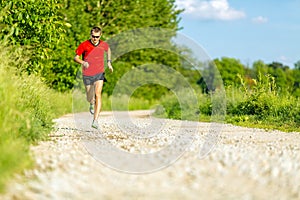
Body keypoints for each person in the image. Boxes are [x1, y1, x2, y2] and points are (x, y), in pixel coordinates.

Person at [74, 26, 113, 129]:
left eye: (97, 37)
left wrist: (109, 63)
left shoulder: (103, 44)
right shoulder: (84, 45)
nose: (95, 39)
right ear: (90, 35)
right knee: (89, 97)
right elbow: (76, 58)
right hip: (87, 74)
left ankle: (95, 120)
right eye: (93, 36)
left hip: (99, 73)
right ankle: (91, 103)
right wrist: (83, 62)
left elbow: (108, 50)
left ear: (100, 36)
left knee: (98, 94)